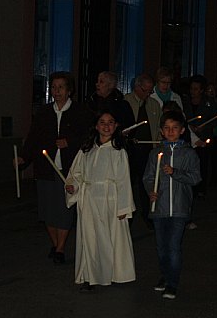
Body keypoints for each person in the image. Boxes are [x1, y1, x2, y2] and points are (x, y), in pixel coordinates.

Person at [15, 72, 91, 264]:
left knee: (65, 208)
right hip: (46, 168)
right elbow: (33, 138)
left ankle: (60, 248)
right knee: (48, 210)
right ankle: (56, 243)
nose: (56, 91)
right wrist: (23, 157)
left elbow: (88, 137)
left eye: (61, 87)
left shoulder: (80, 112)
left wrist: (70, 142)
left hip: (69, 169)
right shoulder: (44, 112)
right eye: (54, 87)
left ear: (69, 90)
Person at [65, 111, 137, 292]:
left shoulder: (118, 152)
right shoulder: (87, 150)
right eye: (102, 122)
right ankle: (90, 276)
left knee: (109, 238)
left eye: (110, 122)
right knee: (89, 238)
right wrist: (73, 186)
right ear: (96, 126)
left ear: (116, 126)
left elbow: (123, 180)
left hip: (109, 200)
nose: (106, 126)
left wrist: (123, 207)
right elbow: (76, 173)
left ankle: (111, 272)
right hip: (89, 200)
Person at [143, 111, 201, 300]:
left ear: (182, 130)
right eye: (166, 128)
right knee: (161, 246)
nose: (170, 131)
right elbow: (148, 177)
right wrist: (151, 190)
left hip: (179, 207)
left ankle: (172, 283)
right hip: (159, 208)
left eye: (175, 128)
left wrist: (175, 172)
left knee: (174, 246)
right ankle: (165, 275)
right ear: (161, 131)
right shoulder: (155, 153)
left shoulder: (189, 153)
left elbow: (195, 178)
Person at [124, 73, 162, 228]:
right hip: (130, 150)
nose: (148, 94)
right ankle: (128, 216)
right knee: (129, 184)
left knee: (147, 183)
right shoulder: (126, 101)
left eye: (150, 91)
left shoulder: (154, 105)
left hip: (148, 149)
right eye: (145, 90)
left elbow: (158, 127)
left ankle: (148, 214)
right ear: (137, 87)